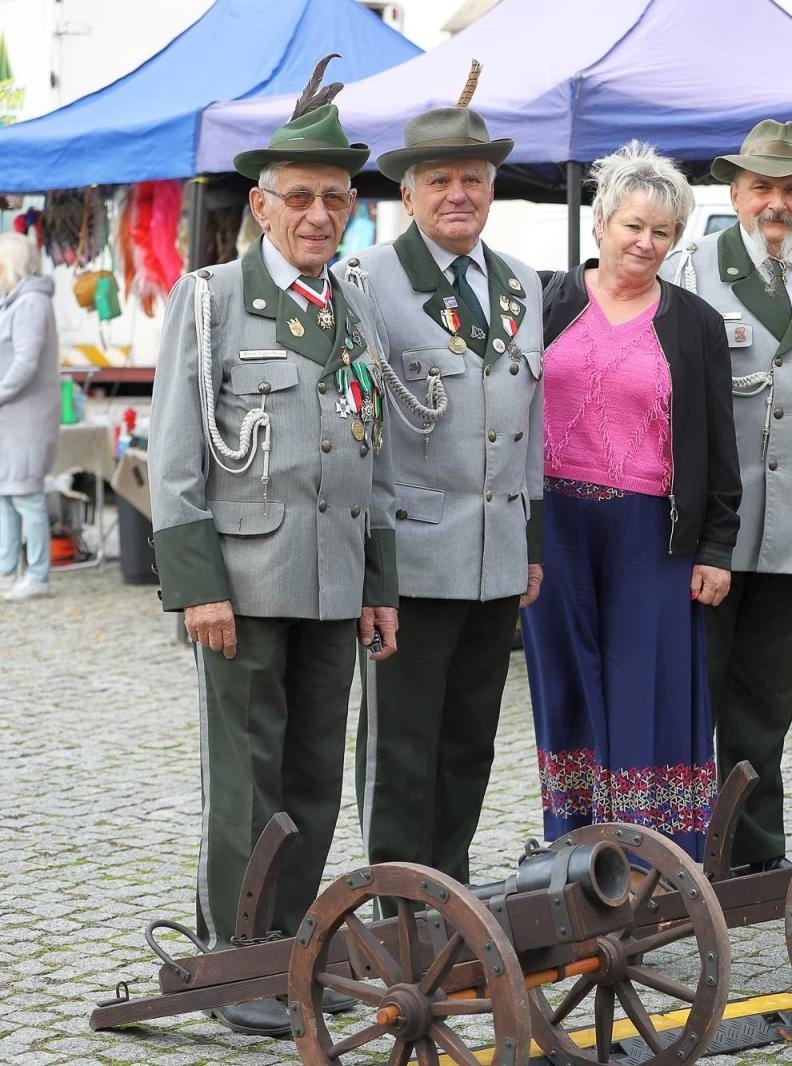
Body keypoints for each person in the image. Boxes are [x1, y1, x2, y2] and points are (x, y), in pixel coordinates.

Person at [147, 58, 397, 1037]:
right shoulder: (211, 303)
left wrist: (379, 580)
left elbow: (369, 453)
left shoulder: (354, 306)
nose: (319, 214)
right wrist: (195, 585)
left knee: (312, 777)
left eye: (335, 198)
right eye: (299, 197)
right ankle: (236, 962)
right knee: (246, 780)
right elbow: (174, 461)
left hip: (335, 582)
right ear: (261, 204)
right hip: (242, 585)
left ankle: (291, 941)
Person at [344, 63, 543, 893]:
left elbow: (529, 425)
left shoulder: (522, 283)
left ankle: (449, 889)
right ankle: (394, 902)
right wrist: (371, 569)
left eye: (471, 178)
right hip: (413, 562)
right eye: (439, 181)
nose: (457, 194)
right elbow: (359, 440)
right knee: (401, 747)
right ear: (410, 193)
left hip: (496, 558)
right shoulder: (367, 285)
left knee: (469, 740)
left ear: (490, 189)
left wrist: (531, 541)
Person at [521, 141, 740, 861]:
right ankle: (573, 847)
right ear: (601, 222)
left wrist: (716, 547)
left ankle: (654, 852)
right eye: (634, 226)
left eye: (663, 232)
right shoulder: (543, 302)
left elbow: (717, 443)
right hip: (555, 523)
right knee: (566, 679)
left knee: (648, 681)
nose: (646, 243)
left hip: (652, 528)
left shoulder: (695, 323)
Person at [665, 120, 792, 874]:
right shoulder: (690, 270)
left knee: (766, 702)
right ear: (735, 194)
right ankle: (689, 849)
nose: (775, 205)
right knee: (698, 694)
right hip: (713, 533)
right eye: (762, 189)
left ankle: (755, 846)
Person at [0, 232, 60, 603]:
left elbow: (25, 362)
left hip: (27, 417)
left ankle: (37, 575)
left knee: (27, 495)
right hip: (11, 416)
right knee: (7, 495)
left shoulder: (31, 303)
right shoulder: (14, 302)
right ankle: (7, 570)